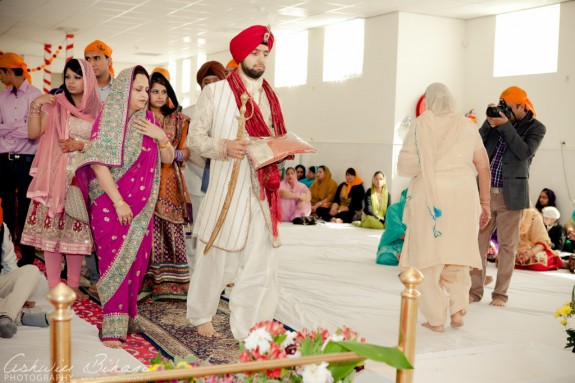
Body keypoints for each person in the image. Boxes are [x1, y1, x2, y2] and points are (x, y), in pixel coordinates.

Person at [186, 25, 288, 340]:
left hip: (260, 190)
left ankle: (251, 325)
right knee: (214, 255)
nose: (260, 60)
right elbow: (195, 139)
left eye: (265, 54)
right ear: (240, 55)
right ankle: (201, 314)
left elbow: (277, 136)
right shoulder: (215, 93)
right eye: (255, 53)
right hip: (226, 188)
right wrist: (224, 146)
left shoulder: (271, 97)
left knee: (260, 262)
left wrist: (284, 149)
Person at [76, 66, 175, 348]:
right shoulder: (109, 120)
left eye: (147, 90)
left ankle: (129, 315)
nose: (145, 95)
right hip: (112, 205)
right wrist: (118, 201)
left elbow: (167, 159)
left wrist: (161, 136)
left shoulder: (149, 120)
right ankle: (112, 324)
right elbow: (97, 162)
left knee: (137, 263)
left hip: (141, 210)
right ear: (124, 90)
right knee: (114, 263)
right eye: (139, 89)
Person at [398, 83, 491, 332]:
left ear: (429, 101)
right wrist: (485, 204)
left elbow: (405, 165)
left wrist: (428, 163)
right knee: (457, 253)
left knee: (429, 256)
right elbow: (483, 167)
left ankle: (436, 319)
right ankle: (458, 310)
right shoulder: (468, 126)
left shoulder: (422, 124)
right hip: (464, 193)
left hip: (432, 193)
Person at [21, 59, 101, 300]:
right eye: (68, 77)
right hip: (53, 179)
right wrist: (36, 105)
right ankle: (54, 285)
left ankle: (74, 284)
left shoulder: (99, 111)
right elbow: (33, 134)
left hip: (81, 179)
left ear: (88, 80)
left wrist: (81, 144)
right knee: (51, 235)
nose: (71, 82)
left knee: (75, 233)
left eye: (77, 77)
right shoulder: (57, 106)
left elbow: (104, 145)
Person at [470, 86, 546, 307]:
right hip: (484, 193)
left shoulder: (536, 128)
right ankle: (474, 292)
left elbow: (523, 152)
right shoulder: (497, 122)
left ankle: (500, 295)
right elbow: (477, 144)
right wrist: (488, 122)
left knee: (507, 247)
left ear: (522, 106)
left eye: (510, 108)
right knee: (478, 244)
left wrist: (505, 126)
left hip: (510, 196)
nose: (507, 112)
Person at [139, 68, 191, 301]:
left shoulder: (179, 120)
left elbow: (187, 151)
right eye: (154, 91)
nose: (159, 96)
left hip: (169, 179)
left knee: (170, 229)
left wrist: (174, 155)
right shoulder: (138, 118)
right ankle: (145, 283)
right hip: (143, 179)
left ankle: (173, 285)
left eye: (163, 91)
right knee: (144, 230)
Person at [182, 61, 226, 277]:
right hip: (196, 176)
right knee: (196, 227)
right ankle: (194, 271)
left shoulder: (231, 112)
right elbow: (189, 145)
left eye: (214, 81)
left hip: (223, 178)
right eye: (205, 82)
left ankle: (220, 273)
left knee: (222, 226)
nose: (209, 86)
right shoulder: (189, 113)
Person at [0, 53, 42, 267]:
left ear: (9, 71)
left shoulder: (36, 95)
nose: (0, 76)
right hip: (4, 160)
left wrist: (8, 130)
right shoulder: (2, 96)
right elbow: (22, 129)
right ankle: (5, 253)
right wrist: (19, 127)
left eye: (1, 71)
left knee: (27, 209)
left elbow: (34, 132)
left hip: (27, 159)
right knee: (5, 208)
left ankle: (27, 257)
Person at [1, 200, 49, 338]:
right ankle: (19, 317)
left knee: (31, 271)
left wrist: (19, 293)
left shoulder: (2, 228)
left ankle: (7, 316)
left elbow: (10, 264)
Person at [515, 207, 563, 271]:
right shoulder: (506, 213)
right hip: (512, 249)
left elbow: (543, 241)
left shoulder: (533, 216)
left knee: (538, 261)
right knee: (505, 259)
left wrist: (529, 253)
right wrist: (514, 253)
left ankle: (560, 262)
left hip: (532, 249)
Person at [376, 189, 407, 266]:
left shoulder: (424, 211)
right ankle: (403, 257)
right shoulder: (393, 209)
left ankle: (407, 258)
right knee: (384, 257)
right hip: (393, 242)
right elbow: (399, 234)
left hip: (414, 245)